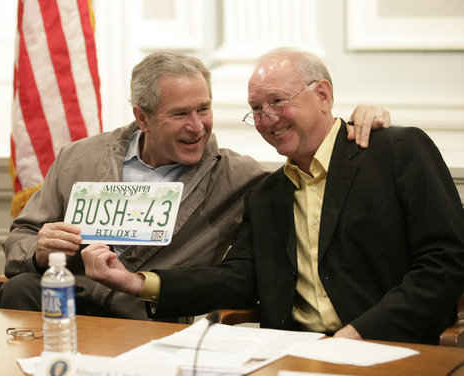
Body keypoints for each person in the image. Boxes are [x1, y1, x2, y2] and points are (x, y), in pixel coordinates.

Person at [81, 47, 464, 344]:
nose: (267, 119)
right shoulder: (267, 194)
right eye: (256, 109)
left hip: (388, 346)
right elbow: (239, 280)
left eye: (278, 102)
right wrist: (138, 283)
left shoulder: (395, 152)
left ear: (323, 95)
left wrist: (358, 334)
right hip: (289, 353)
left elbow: (445, 263)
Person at [0, 50, 391, 321]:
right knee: (20, 290)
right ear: (142, 117)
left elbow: (313, 161)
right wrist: (39, 250)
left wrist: (360, 119)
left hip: (152, 315)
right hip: (71, 302)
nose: (197, 125)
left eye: (204, 109)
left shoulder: (242, 178)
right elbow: (21, 237)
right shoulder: (78, 159)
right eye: (180, 114)